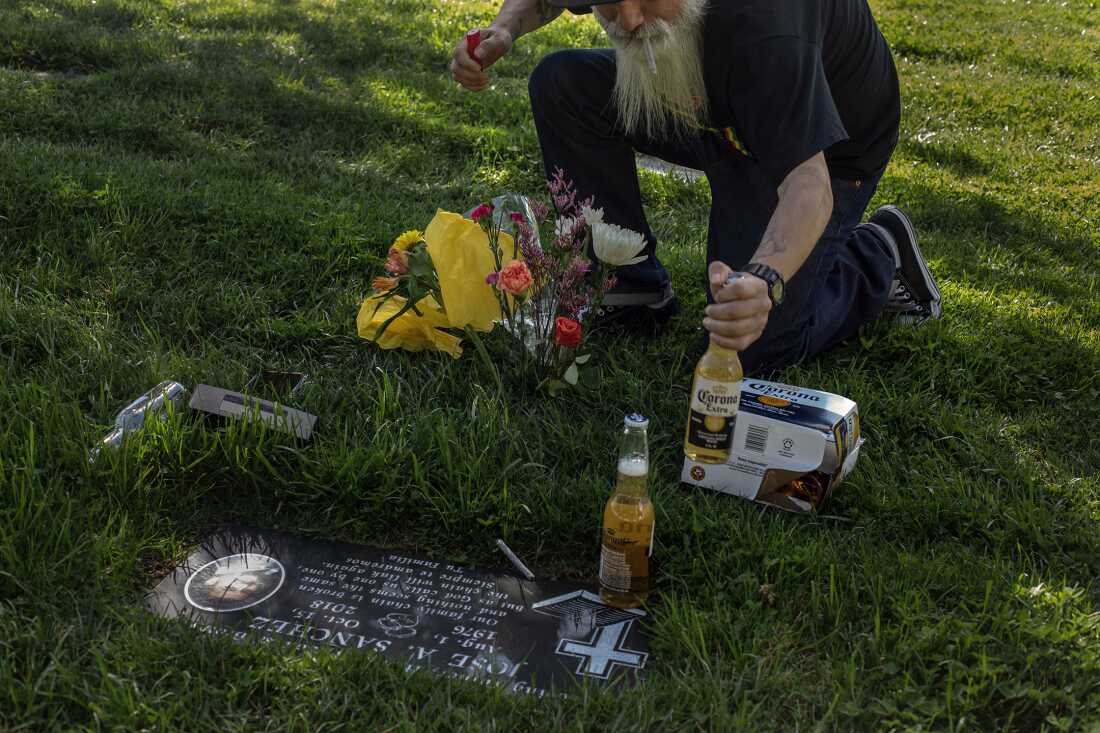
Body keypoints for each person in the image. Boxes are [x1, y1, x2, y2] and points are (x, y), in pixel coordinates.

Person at [450, 0, 942, 373]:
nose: (630, 20)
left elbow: (807, 185)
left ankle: (880, 254)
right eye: (609, 3)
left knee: (751, 348)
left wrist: (764, 280)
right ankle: (628, 286)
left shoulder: (767, 24)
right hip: (713, 108)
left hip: (821, 151)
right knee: (564, 84)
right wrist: (503, 28)